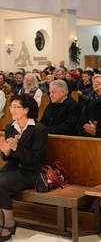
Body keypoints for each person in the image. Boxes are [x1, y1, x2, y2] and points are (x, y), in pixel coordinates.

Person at [0, 94, 47, 241]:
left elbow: (36, 159)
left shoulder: (39, 129)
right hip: (13, 169)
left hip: (31, 172)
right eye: (11, 106)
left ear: (26, 110)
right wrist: (6, 153)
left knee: (1, 183)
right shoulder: (10, 127)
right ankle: (3, 221)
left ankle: (8, 222)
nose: (12, 110)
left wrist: (16, 148)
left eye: (16, 107)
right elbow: (8, 157)